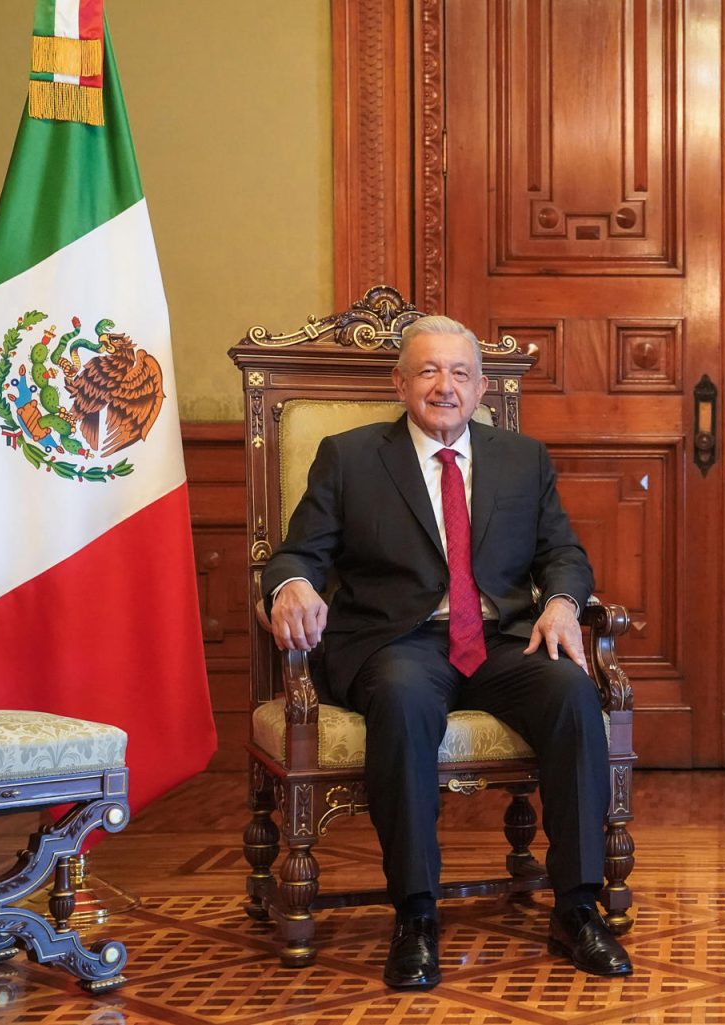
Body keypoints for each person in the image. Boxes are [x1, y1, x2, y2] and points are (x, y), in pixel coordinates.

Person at [263, 315, 631, 989]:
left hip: (500, 640)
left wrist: (559, 602)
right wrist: (290, 586)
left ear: (481, 386)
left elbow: (564, 554)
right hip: (397, 641)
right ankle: (416, 914)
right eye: (429, 370)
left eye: (460, 372)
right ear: (400, 382)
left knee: (573, 692)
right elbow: (297, 553)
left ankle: (578, 907)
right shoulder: (349, 457)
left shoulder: (524, 459)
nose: (445, 386)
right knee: (402, 701)